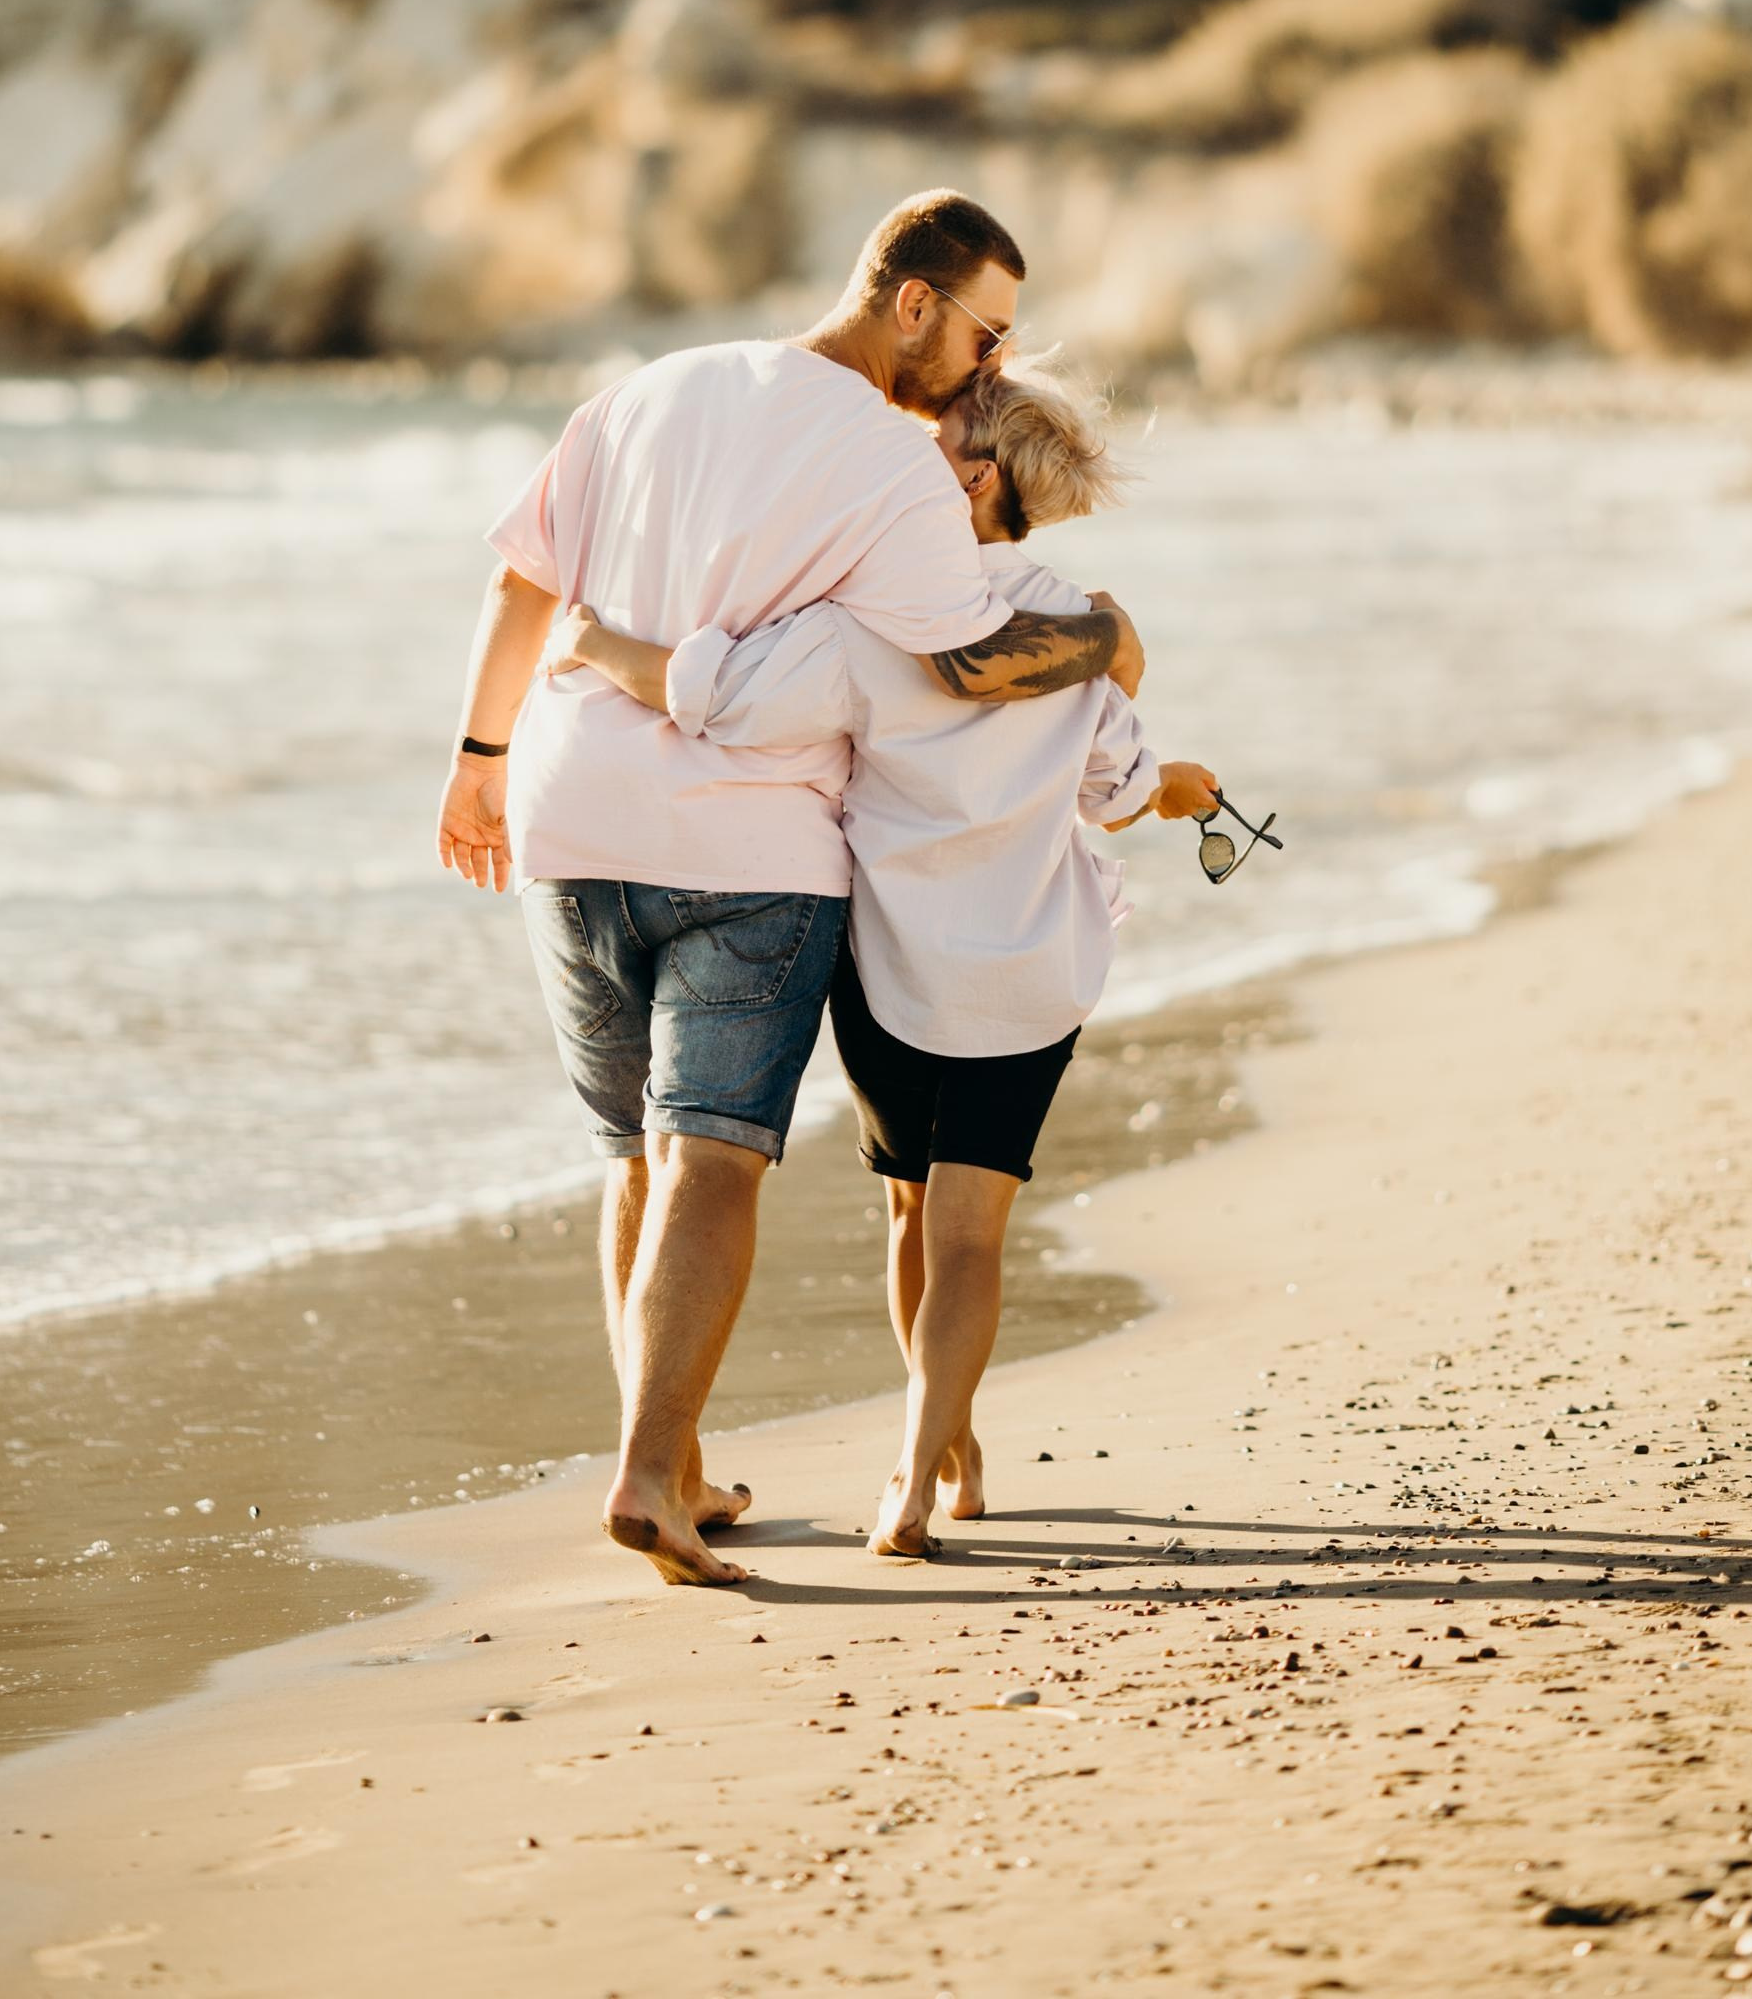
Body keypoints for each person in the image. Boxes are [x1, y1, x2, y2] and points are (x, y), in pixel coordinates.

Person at [435, 191, 1145, 1587]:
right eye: (987, 336)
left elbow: (523, 581)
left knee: (630, 1155)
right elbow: (965, 663)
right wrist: (1108, 640)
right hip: (749, 851)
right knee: (709, 1155)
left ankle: (675, 1463)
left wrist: (477, 761)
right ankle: (652, 1475)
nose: (994, 364)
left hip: (569, 819)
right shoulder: (895, 471)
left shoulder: (653, 387)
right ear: (914, 304)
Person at [557, 355, 1221, 1561]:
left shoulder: (866, 621)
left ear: (972, 478)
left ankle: (938, 1446)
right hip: (1027, 980)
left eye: (924, 444)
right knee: (972, 1235)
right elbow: (1118, 792)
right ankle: (922, 1470)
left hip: (889, 977)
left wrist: (597, 643)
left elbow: (717, 693)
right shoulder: (1071, 631)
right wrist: (1178, 784)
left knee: (910, 1217)